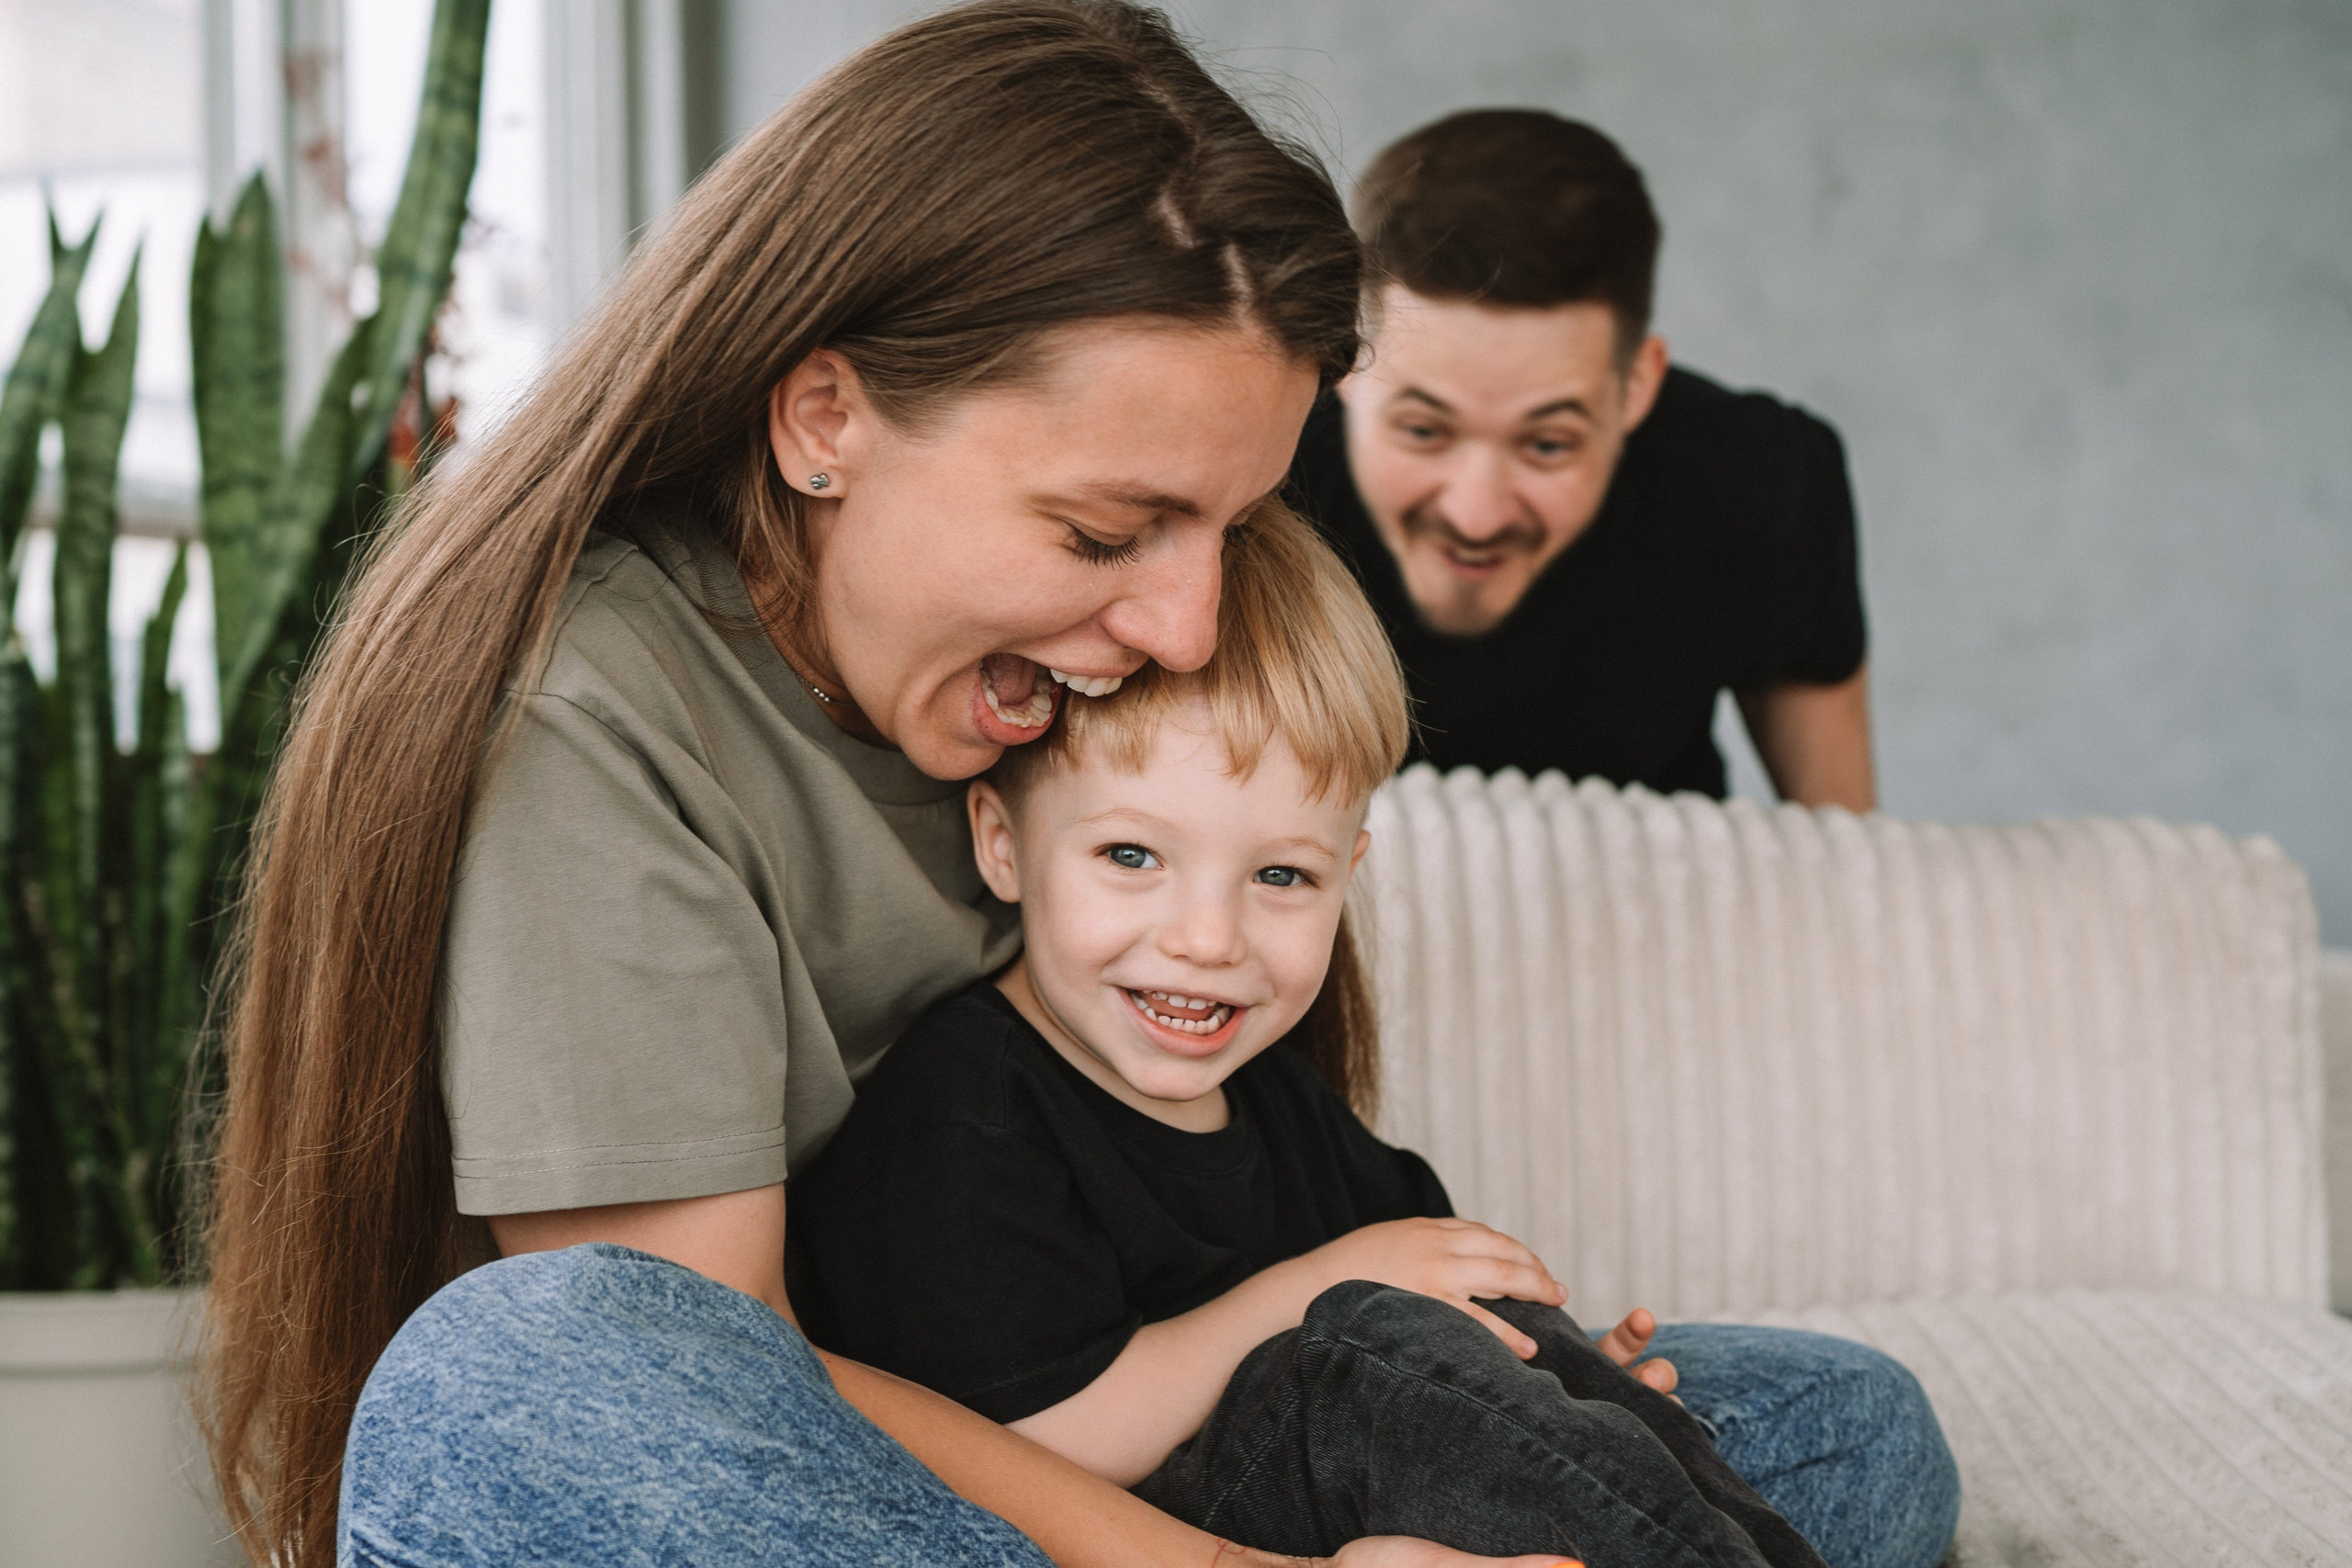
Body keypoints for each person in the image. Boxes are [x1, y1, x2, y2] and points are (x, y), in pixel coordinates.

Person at [196, 7, 1571, 1568]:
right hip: (819, 1502)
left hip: (1175, 1455)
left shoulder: (1072, 666)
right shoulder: (596, 718)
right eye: (1109, 534)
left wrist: (1549, 1397)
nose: (1189, 626)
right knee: (536, 1364)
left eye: (1236, 527)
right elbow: (692, 1391)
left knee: (1828, 1414)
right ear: (826, 418)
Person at [792, 515, 1954, 1568]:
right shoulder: (966, 1108)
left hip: (1353, 1503)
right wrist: (1321, 1291)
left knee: (1856, 1415)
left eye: (1281, 875)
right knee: (1373, 1338)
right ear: (1001, 843)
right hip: (1100, 1537)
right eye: (1132, 857)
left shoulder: (1280, 1105)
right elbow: (1037, 1446)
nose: (1206, 939)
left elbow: (1445, 1327)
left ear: (1347, 876)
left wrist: (1576, 1394)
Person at [1287, 110, 1875, 808]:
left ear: (1637, 386)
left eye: (1546, 444)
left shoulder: (1762, 483)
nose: (1476, 515)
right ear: (1346, 359)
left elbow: (1845, 854)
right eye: (1424, 431)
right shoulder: (1254, 474)